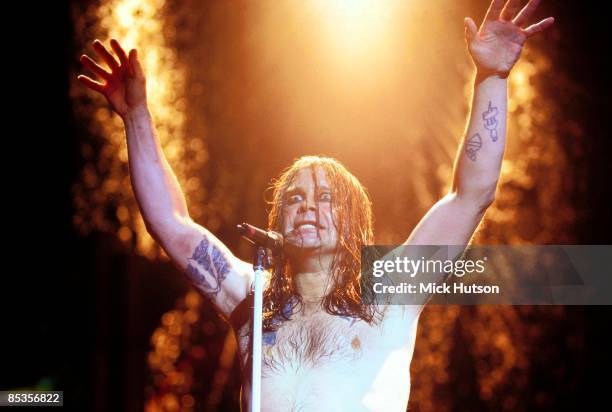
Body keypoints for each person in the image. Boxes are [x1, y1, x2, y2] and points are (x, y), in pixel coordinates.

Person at [78, 0, 554, 410]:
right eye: (296, 198)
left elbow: (470, 195)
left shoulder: (389, 292)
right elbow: (171, 223)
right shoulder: (251, 298)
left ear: (353, 221)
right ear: (278, 217)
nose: (309, 207)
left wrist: (491, 76)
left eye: (328, 199)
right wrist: (137, 115)